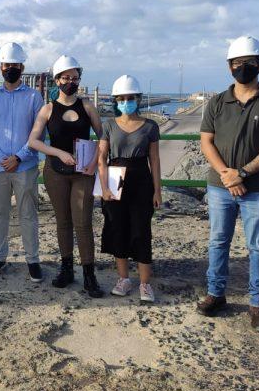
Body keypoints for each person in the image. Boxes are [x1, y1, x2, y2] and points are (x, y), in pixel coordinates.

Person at [197, 36, 259, 333]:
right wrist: (228, 173)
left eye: (249, 62)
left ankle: (258, 304)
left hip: (258, 188)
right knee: (217, 241)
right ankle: (216, 294)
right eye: (237, 63)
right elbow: (206, 141)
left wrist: (244, 173)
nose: (243, 68)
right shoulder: (216, 102)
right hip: (219, 185)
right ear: (229, 67)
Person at [28, 55, 104, 297]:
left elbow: (103, 137)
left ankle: (89, 274)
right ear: (57, 80)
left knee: (83, 222)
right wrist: (59, 153)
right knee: (63, 221)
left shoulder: (87, 107)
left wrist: (94, 163)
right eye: (66, 77)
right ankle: (67, 268)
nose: (71, 82)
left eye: (75, 78)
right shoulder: (48, 109)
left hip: (83, 171)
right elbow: (33, 141)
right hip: (55, 172)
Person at [0, 42, 45, 282]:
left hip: (25, 166)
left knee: (28, 213)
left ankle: (33, 259)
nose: (10, 69)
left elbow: (38, 133)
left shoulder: (34, 97)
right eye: (7, 65)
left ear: (22, 66)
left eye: (15, 65)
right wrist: (1, 158)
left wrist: (18, 157)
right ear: (1, 67)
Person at [98, 74, 161, 303]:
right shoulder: (108, 126)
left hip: (141, 181)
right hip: (116, 181)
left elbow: (154, 159)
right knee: (119, 229)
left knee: (142, 231)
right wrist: (104, 188)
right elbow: (102, 158)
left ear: (138, 98)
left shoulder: (150, 126)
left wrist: (157, 190)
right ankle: (124, 279)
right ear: (116, 100)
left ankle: (145, 284)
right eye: (121, 98)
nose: (126, 101)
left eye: (130, 97)